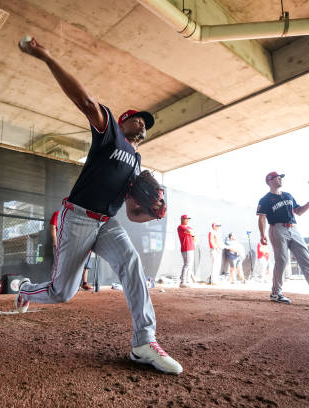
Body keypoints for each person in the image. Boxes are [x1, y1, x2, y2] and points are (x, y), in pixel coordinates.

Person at [15, 37, 182, 375]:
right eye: (139, 119)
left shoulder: (138, 162)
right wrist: (46, 55)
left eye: (147, 124)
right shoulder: (110, 134)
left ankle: (142, 342)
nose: (144, 125)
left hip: (107, 223)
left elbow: (133, 212)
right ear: (123, 120)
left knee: (132, 264)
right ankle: (26, 292)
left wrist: (151, 212)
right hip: (76, 217)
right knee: (63, 293)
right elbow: (85, 99)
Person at [256, 171, 309, 305]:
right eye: (278, 178)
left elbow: (299, 211)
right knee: (282, 261)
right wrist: (262, 234)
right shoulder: (265, 199)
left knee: (306, 260)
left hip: (294, 228)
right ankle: (275, 293)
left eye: (281, 178)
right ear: (270, 181)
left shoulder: (288, 195)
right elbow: (261, 218)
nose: (280, 179)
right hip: (277, 228)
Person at [50, 210, 92, 290]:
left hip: (71, 245)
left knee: (71, 266)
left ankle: (70, 285)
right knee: (58, 265)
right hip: (60, 244)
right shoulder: (58, 213)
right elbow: (52, 227)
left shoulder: (74, 216)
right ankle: (54, 285)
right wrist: (55, 242)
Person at [177, 215, 196, 288]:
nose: (187, 220)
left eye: (188, 219)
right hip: (186, 247)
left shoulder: (188, 227)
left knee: (190, 266)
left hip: (191, 247)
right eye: (186, 219)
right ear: (182, 219)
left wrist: (192, 233)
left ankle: (187, 281)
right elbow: (190, 232)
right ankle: (182, 281)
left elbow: (193, 234)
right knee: (187, 265)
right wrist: (192, 233)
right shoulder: (180, 227)